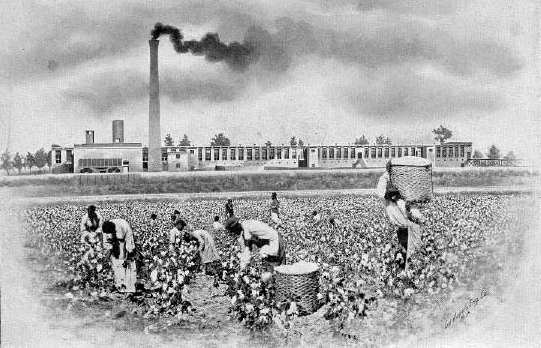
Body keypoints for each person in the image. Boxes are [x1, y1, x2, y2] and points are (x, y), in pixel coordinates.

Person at [376, 161, 423, 270]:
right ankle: (409, 274)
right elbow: (380, 191)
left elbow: (417, 215)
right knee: (408, 253)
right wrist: (387, 174)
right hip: (404, 228)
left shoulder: (403, 199)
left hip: (410, 228)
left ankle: (411, 275)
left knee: (411, 254)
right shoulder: (390, 200)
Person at [102, 219, 137, 293]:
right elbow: (107, 243)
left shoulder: (124, 226)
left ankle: (130, 289)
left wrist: (128, 257)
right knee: (115, 263)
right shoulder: (106, 229)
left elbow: (129, 242)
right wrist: (108, 255)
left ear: (114, 229)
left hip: (123, 241)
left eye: (110, 232)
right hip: (115, 243)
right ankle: (119, 285)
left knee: (128, 265)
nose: (108, 234)